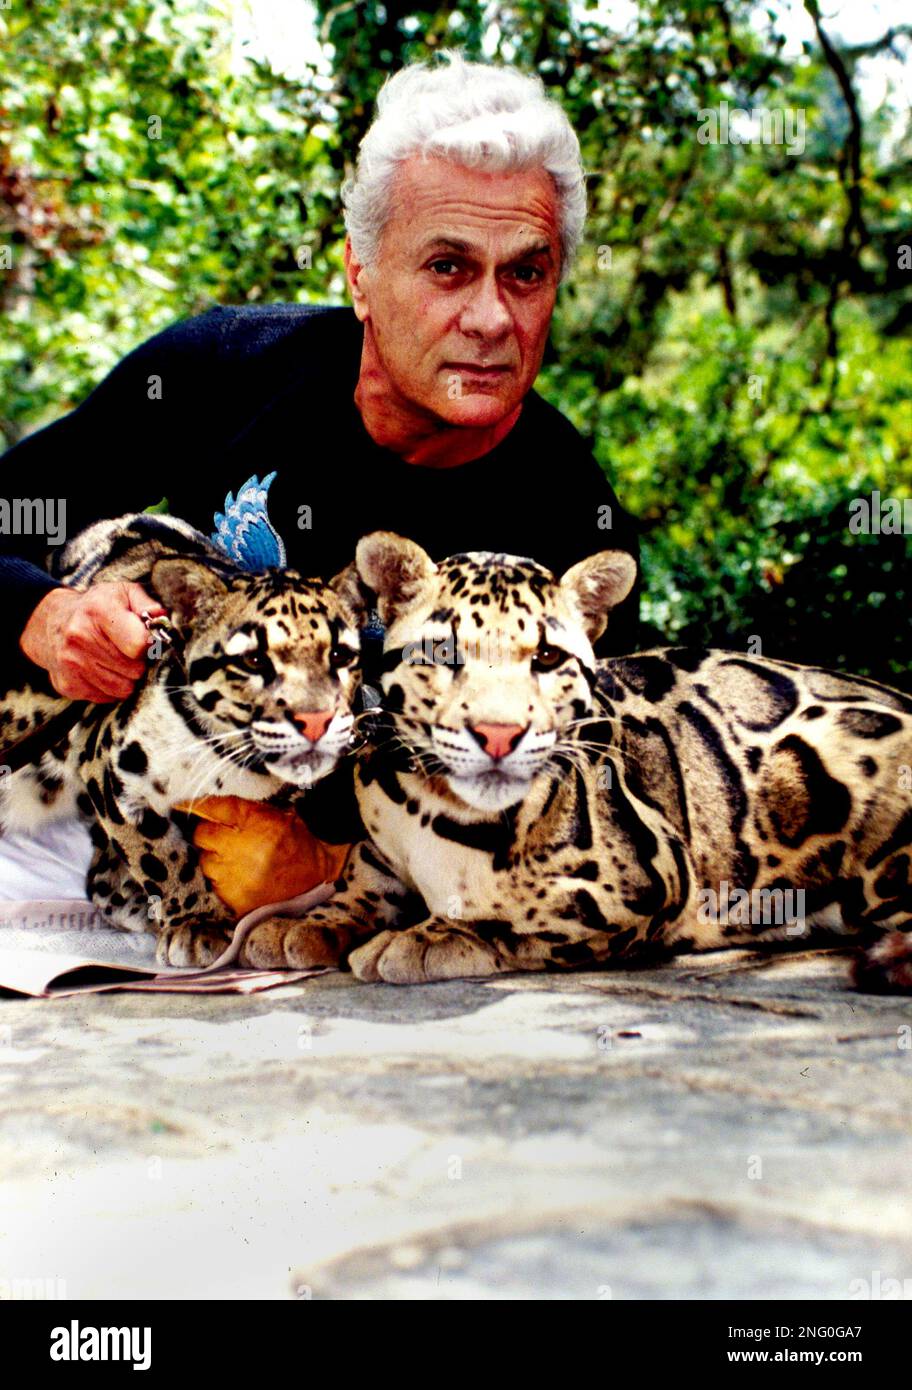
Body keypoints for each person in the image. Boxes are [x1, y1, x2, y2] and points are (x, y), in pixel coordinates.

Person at [0, 49, 639, 914]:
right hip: (91, 815)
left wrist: (338, 864)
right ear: (362, 275)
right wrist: (44, 616)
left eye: (525, 272)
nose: (492, 319)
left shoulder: (570, 532)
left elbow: (582, 815)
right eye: (448, 266)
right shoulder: (229, 366)